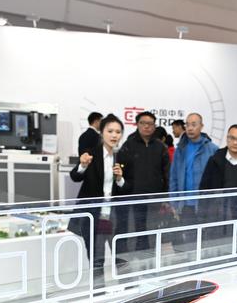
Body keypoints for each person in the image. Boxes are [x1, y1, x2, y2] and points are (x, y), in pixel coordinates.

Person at [68, 114, 125, 283]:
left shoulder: (123, 157)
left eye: (118, 132)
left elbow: (127, 187)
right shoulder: (91, 155)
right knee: (96, 260)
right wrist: (82, 165)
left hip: (115, 216)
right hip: (94, 216)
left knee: (122, 258)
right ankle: (99, 295)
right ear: (102, 132)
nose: (114, 135)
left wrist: (120, 179)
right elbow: (75, 176)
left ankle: (129, 294)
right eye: (110, 131)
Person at [118, 111, 170, 251]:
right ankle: (133, 260)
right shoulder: (128, 144)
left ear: (154, 126)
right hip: (133, 198)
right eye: (143, 123)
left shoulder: (160, 147)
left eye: (150, 124)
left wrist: (165, 197)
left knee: (152, 233)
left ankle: (151, 259)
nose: (146, 126)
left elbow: (167, 173)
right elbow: (120, 171)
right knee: (134, 232)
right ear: (137, 124)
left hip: (154, 199)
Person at [169, 112, 218, 244]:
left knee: (206, 241)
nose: (190, 128)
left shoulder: (212, 149)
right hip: (185, 205)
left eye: (194, 124)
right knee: (189, 242)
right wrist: (174, 201)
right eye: (187, 125)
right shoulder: (181, 149)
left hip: (205, 204)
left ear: (201, 126)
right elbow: (174, 176)